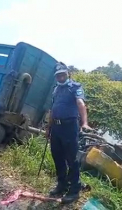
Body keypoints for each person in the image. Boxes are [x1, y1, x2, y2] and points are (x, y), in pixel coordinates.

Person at [45, 62, 92, 204]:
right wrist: (48, 127)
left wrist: (84, 123)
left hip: (69, 127)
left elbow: (80, 104)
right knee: (57, 156)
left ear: (68, 74)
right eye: (58, 75)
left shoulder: (75, 87)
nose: (60, 77)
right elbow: (53, 109)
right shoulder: (56, 90)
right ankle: (62, 184)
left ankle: (74, 190)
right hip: (56, 127)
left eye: (63, 74)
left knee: (72, 159)